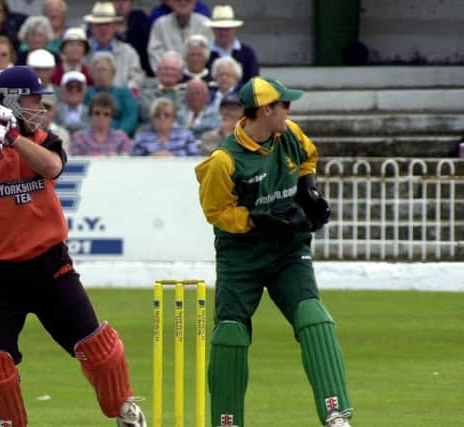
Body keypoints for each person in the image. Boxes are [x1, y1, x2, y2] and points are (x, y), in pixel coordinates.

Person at [0, 65, 146, 427]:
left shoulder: (42, 137)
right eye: (34, 98)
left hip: (50, 266)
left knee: (99, 349)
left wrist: (14, 139)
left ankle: (124, 410)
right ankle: (6, 422)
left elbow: (52, 169)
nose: (41, 105)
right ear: (13, 100)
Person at [195, 77, 353, 427]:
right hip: (241, 256)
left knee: (313, 317)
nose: (290, 109)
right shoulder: (224, 160)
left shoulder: (291, 134)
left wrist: (308, 190)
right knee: (231, 333)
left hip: (287, 249)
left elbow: (309, 157)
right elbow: (215, 211)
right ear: (265, 110)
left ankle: (336, 414)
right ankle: (227, 421)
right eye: (284, 104)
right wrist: (255, 220)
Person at [84, 1, 144, 93]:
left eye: (107, 24)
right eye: (99, 25)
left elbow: (137, 78)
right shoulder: (83, 51)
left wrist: (122, 95)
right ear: (92, 27)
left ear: (114, 27)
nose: (103, 29)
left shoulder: (128, 52)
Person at [147, 0, 213, 72]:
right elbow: (154, 54)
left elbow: (208, 53)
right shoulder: (160, 25)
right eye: (178, 0)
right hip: (168, 76)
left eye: (187, 1)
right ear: (171, 2)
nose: (183, 2)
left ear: (194, 3)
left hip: (197, 75)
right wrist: (169, 71)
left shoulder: (205, 24)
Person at [84, 51, 139, 136]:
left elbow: (130, 117)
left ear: (113, 73)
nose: (101, 74)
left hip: (119, 137)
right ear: (92, 74)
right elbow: (85, 117)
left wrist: (117, 135)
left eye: (104, 70)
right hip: (91, 136)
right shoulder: (87, 93)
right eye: (97, 71)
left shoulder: (125, 93)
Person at [205, 5, 260, 86]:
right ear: (213, 29)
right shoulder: (205, 53)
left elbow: (253, 81)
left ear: (234, 29)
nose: (223, 33)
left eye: (227, 29)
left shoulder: (247, 53)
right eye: (219, 29)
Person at [132, 96, 198, 156]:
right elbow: (134, 164)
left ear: (173, 118)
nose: (162, 118)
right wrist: (151, 158)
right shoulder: (141, 138)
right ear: (151, 118)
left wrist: (175, 160)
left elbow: (195, 162)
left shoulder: (187, 136)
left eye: (167, 115)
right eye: (157, 115)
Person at [72, 92, 131, 156]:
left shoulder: (121, 138)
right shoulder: (79, 137)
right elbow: (76, 162)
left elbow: (127, 161)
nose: (101, 117)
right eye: (97, 113)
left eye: (106, 114)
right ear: (90, 114)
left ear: (112, 117)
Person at [112, 0, 152, 77]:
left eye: (125, 1)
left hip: (139, 73)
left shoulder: (140, 20)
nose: (120, 4)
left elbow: (147, 51)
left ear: (131, 4)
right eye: (116, 0)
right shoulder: (101, 24)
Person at [56, 70, 90, 135]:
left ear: (84, 91)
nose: (74, 91)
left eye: (78, 88)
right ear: (62, 90)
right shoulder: (54, 112)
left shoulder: (91, 113)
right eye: (69, 87)